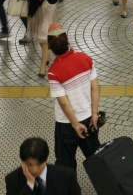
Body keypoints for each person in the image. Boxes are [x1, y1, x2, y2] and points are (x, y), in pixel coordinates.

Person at [47, 24, 101, 172]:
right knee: (96, 157)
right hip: (90, 118)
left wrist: (75, 124)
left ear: (50, 48)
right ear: (68, 42)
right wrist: (95, 114)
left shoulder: (53, 72)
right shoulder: (85, 58)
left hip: (67, 124)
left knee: (65, 163)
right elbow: (95, 87)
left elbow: (63, 103)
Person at [5, 137, 81, 195]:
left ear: (46, 159)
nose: (34, 170)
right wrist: (30, 184)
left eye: (39, 164)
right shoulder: (13, 180)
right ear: (23, 162)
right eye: (29, 165)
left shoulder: (66, 176)